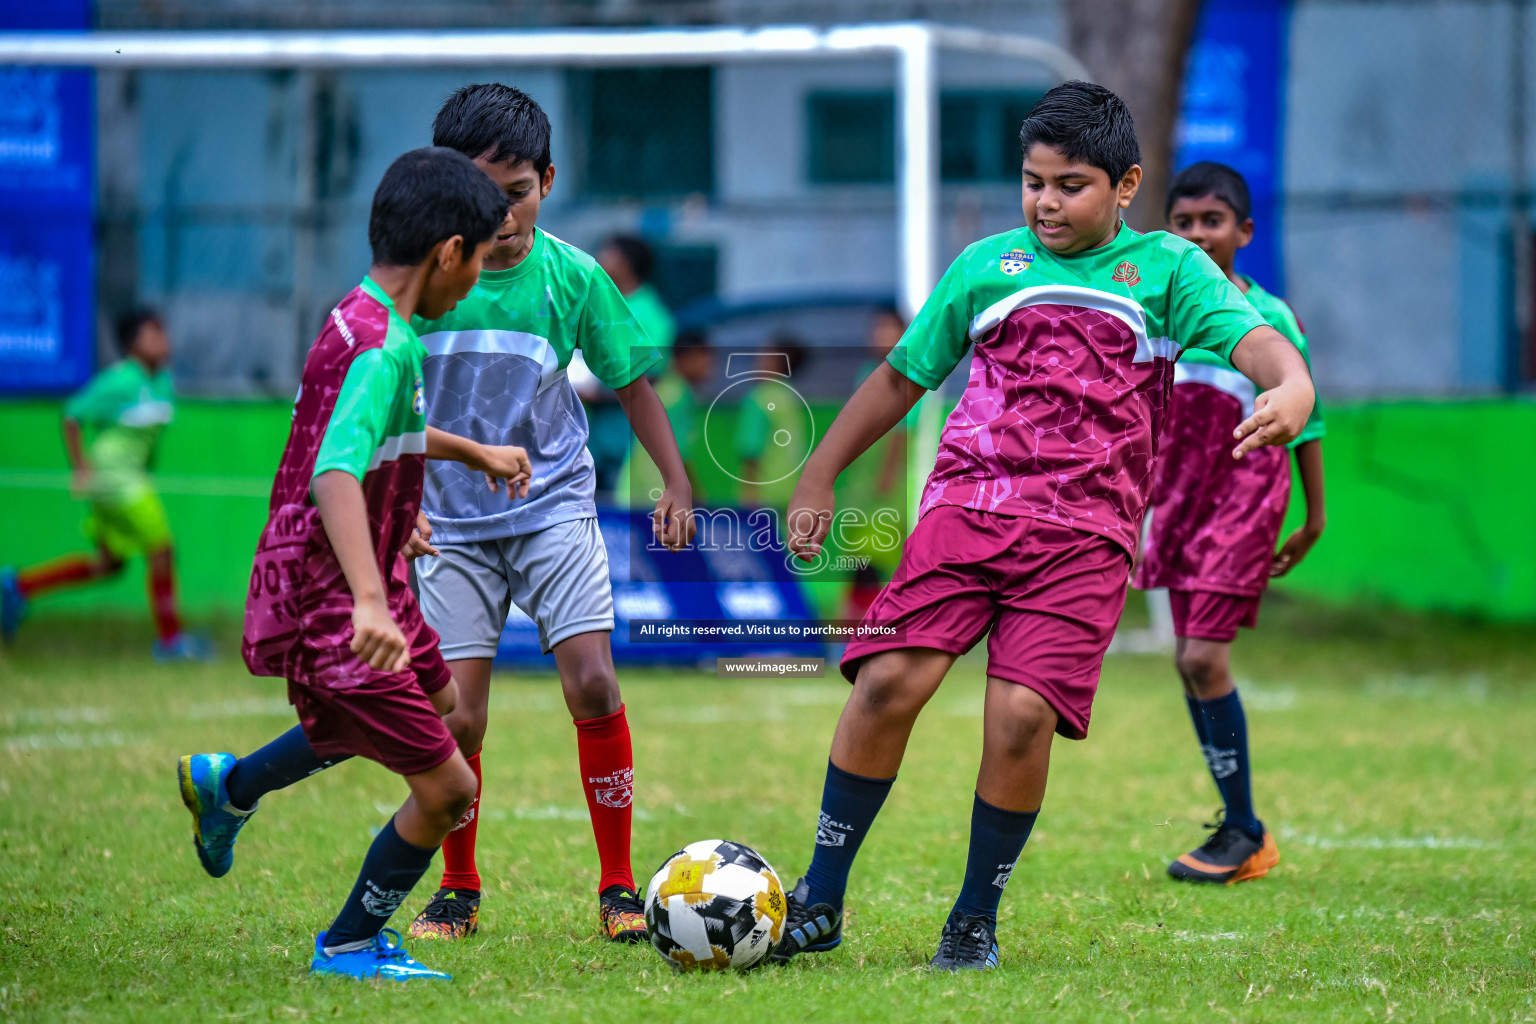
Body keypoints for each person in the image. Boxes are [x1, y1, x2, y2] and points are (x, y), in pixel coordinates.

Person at [772, 82, 1317, 972]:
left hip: (1086, 538)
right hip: (966, 512)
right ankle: (820, 899)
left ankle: (973, 921)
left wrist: (1288, 384)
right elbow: (902, 378)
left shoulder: (1172, 272)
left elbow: (1259, 342)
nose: (1047, 203)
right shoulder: (988, 266)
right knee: (886, 685)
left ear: (1126, 184)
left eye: (1071, 185)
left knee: (1021, 716)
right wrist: (820, 474)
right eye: (1034, 183)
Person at [176, 147, 531, 982]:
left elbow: (362, 444)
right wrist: (369, 599)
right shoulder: (385, 350)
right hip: (339, 601)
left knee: (456, 718)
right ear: (449, 252)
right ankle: (347, 946)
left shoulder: (360, 318)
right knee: (449, 790)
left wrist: (464, 456)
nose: (477, 278)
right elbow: (337, 468)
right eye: (479, 258)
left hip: (358, 568)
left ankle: (231, 787)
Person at [404, 83, 695, 944]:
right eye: (478, 194)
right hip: (448, 521)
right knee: (461, 715)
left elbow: (634, 381)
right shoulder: (415, 279)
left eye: (517, 192)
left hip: (552, 503)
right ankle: (458, 890)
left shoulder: (573, 277)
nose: (499, 216)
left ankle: (617, 888)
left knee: (594, 681)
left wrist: (675, 481)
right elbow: (383, 400)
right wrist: (398, 504)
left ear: (548, 181)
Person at [1134, 161, 1327, 884]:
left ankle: (1244, 829)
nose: (1195, 235)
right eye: (1181, 223)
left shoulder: (1268, 319)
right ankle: (1239, 827)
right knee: (1190, 661)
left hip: (1244, 499)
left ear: (1243, 232)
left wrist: (1314, 517)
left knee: (1199, 659)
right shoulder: (1163, 318)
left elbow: (1310, 423)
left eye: (1210, 222)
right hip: (1180, 506)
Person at [0, 309, 206, 660]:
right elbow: (72, 414)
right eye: (152, 333)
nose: (162, 340)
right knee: (162, 550)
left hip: (130, 479)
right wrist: (80, 467)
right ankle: (171, 641)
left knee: (109, 565)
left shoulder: (163, 383)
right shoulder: (120, 380)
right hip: (114, 479)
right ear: (131, 343)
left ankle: (17, 587)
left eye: (163, 331)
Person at [617, 329, 715, 507]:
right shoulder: (678, 394)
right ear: (689, 356)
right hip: (657, 492)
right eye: (705, 356)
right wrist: (698, 495)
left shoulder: (664, 387)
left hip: (636, 488)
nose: (709, 365)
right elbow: (681, 453)